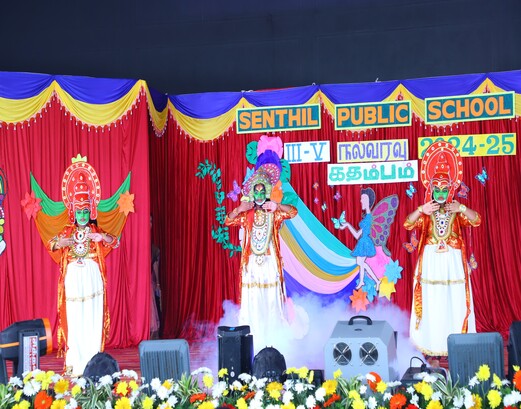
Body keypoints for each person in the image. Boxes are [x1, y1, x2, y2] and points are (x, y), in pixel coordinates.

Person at [404, 142, 480, 357]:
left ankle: (456, 341)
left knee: (455, 299)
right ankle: (431, 342)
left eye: (444, 188)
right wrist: (421, 209)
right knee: (432, 300)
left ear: (450, 189)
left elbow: (477, 220)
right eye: (436, 188)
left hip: (453, 262)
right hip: (431, 261)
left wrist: (462, 207)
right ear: (430, 189)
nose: (440, 191)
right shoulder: (427, 211)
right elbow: (408, 223)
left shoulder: (456, 209)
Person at [48, 160, 119, 375]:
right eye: (79, 212)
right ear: (73, 211)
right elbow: (51, 244)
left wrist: (102, 237)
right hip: (73, 280)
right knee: (75, 318)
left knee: (92, 317)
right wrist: (61, 243)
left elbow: (115, 241)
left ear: (90, 211)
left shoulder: (96, 230)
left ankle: (93, 360)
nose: (82, 216)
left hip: (92, 278)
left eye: (85, 212)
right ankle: (75, 361)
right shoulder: (67, 231)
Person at [225, 166, 297, 340]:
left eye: (261, 191)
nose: (258, 195)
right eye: (256, 191)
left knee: (271, 298)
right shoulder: (246, 214)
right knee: (254, 298)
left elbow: (293, 212)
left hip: (270, 262)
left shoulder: (274, 212)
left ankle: (273, 336)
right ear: (252, 193)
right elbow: (228, 221)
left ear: (266, 192)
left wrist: (277, 205)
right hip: (251, 263)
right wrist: (239, 209)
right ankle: (255, 334)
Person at [339, 187, 381, 291]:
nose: (361, 201)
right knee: (360, 262)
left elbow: (359, 234)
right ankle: (369, 281)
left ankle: (374, 280)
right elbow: (358, 234)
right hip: (363, 241)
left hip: (365, 242)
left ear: (367, 201)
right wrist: (348, 225)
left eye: (363, 198)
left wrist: (348, 225)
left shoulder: (368, 217)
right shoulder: (367, 217)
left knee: (360, 262)